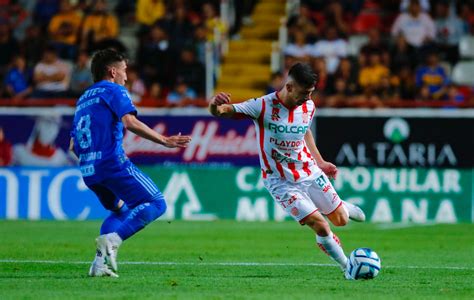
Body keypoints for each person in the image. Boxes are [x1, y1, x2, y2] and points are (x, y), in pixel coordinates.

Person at [209, 62, 365, 279]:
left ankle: (342, 207)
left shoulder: (308, 106)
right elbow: (224, 112)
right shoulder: (262, 106)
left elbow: (304, 131)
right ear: (289, 87)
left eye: (311, 93)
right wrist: (215, 106)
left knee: (341, 220)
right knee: (319, 224)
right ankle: (347, 267)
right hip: (280, 181)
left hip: (309, 172)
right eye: (304, 93)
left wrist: (319, 161)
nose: (308, 98)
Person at [69, 49, 191, 277]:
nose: (127, 76)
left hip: (88, 170)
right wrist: (164, 140)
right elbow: (130, 122)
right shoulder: (114, 90)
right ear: (112, 71)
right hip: (111, 163)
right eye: (124, 71)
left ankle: (98, 264)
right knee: (156, 203)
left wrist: (93, 162)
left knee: (120, 211)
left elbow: (73, 147)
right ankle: (114, 241)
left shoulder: (82, 99)